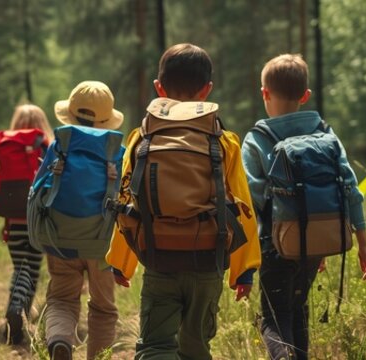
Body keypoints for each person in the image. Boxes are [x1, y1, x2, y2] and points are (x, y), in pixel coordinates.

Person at [106, 43, 261, 360]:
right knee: (195, 346)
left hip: (158, 256)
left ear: (158, 88)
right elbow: (242, 206)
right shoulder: (224, 141)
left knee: (155, 345)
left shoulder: (141, 138)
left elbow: (126, 201)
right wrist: (243, 270)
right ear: (207, 91)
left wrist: (120, 261)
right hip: (208, 260)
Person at [240, 54, 366, 359]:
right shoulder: (326, 134)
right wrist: (362, 244)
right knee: (298, 310)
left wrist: (246, 257)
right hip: (315, 245)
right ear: (305, 96)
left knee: (274, 318)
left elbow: (251, 201)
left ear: (264, 93)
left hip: (275, 245)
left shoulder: (256, 139)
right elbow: (351, 190)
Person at [29, 81, 125, 359]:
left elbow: (38, 189)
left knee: (61, 299)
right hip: (102, 244)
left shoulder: (60, 146)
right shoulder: (117, 152)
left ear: (70, 115)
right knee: (104, 309)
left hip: (61, 237)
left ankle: (60, 340)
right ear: (106, 119)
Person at [0, 104, 53, 344]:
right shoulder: (44, 146)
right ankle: (17, 310)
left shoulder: (6, 150)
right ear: (42, 124)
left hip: (12, 223)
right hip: (36, 223)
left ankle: (16, 316)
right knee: (31, 271)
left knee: (19, 269)